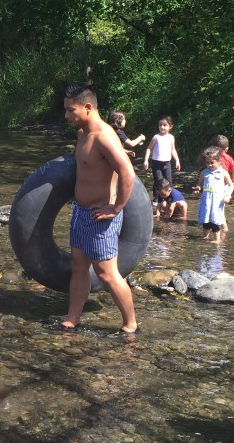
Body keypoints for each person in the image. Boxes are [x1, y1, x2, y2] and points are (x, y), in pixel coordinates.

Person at [60, 82, 139, 335]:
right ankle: (73, 317)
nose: (66, 116)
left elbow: (127, 172)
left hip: (100, 216)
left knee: (106, 273)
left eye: (70, 110)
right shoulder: (83, 132)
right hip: (81, 212)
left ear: (87, 107)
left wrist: (116, 208)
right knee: (79, 266)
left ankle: (131, 324)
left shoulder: (104, 136)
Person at [194, 146, 232, 242]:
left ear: (219, 162)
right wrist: (198, 188)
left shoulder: (223, 173)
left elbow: (231, 185)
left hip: (217, 200)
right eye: (207, 163)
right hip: (206, 199)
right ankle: (204, 238)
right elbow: (200, 183)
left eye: (212, 163)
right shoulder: (204, 172)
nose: (209, 165)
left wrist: (227, 195)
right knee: (206, 220)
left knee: (215, 221)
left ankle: (217, 241)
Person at [143, 116, 181, 203]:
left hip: (167, 163)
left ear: (170, 126)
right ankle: (157, 199)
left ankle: (170, 199)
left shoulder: (171, 137)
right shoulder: (156, 137)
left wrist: (177, 160)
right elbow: (149, 148)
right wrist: (146, 160)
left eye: (165, 125)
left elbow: (173, 149)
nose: (162, 127)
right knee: (158, 181)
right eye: (160, 125)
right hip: (156, 163)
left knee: (169, 181)